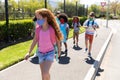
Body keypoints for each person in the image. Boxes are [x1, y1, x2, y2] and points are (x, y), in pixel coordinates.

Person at [24, 8, 63, 80]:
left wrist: (59, 51)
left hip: (50, 53)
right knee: (43, 75)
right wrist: (28, 52)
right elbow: (35, 40)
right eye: (36, 17)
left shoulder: (52, 29)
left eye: (38, 17)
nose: (37, 20)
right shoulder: (38, 29)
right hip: (40, 54)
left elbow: (57, 41)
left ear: (45, 18)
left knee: (45, 72)